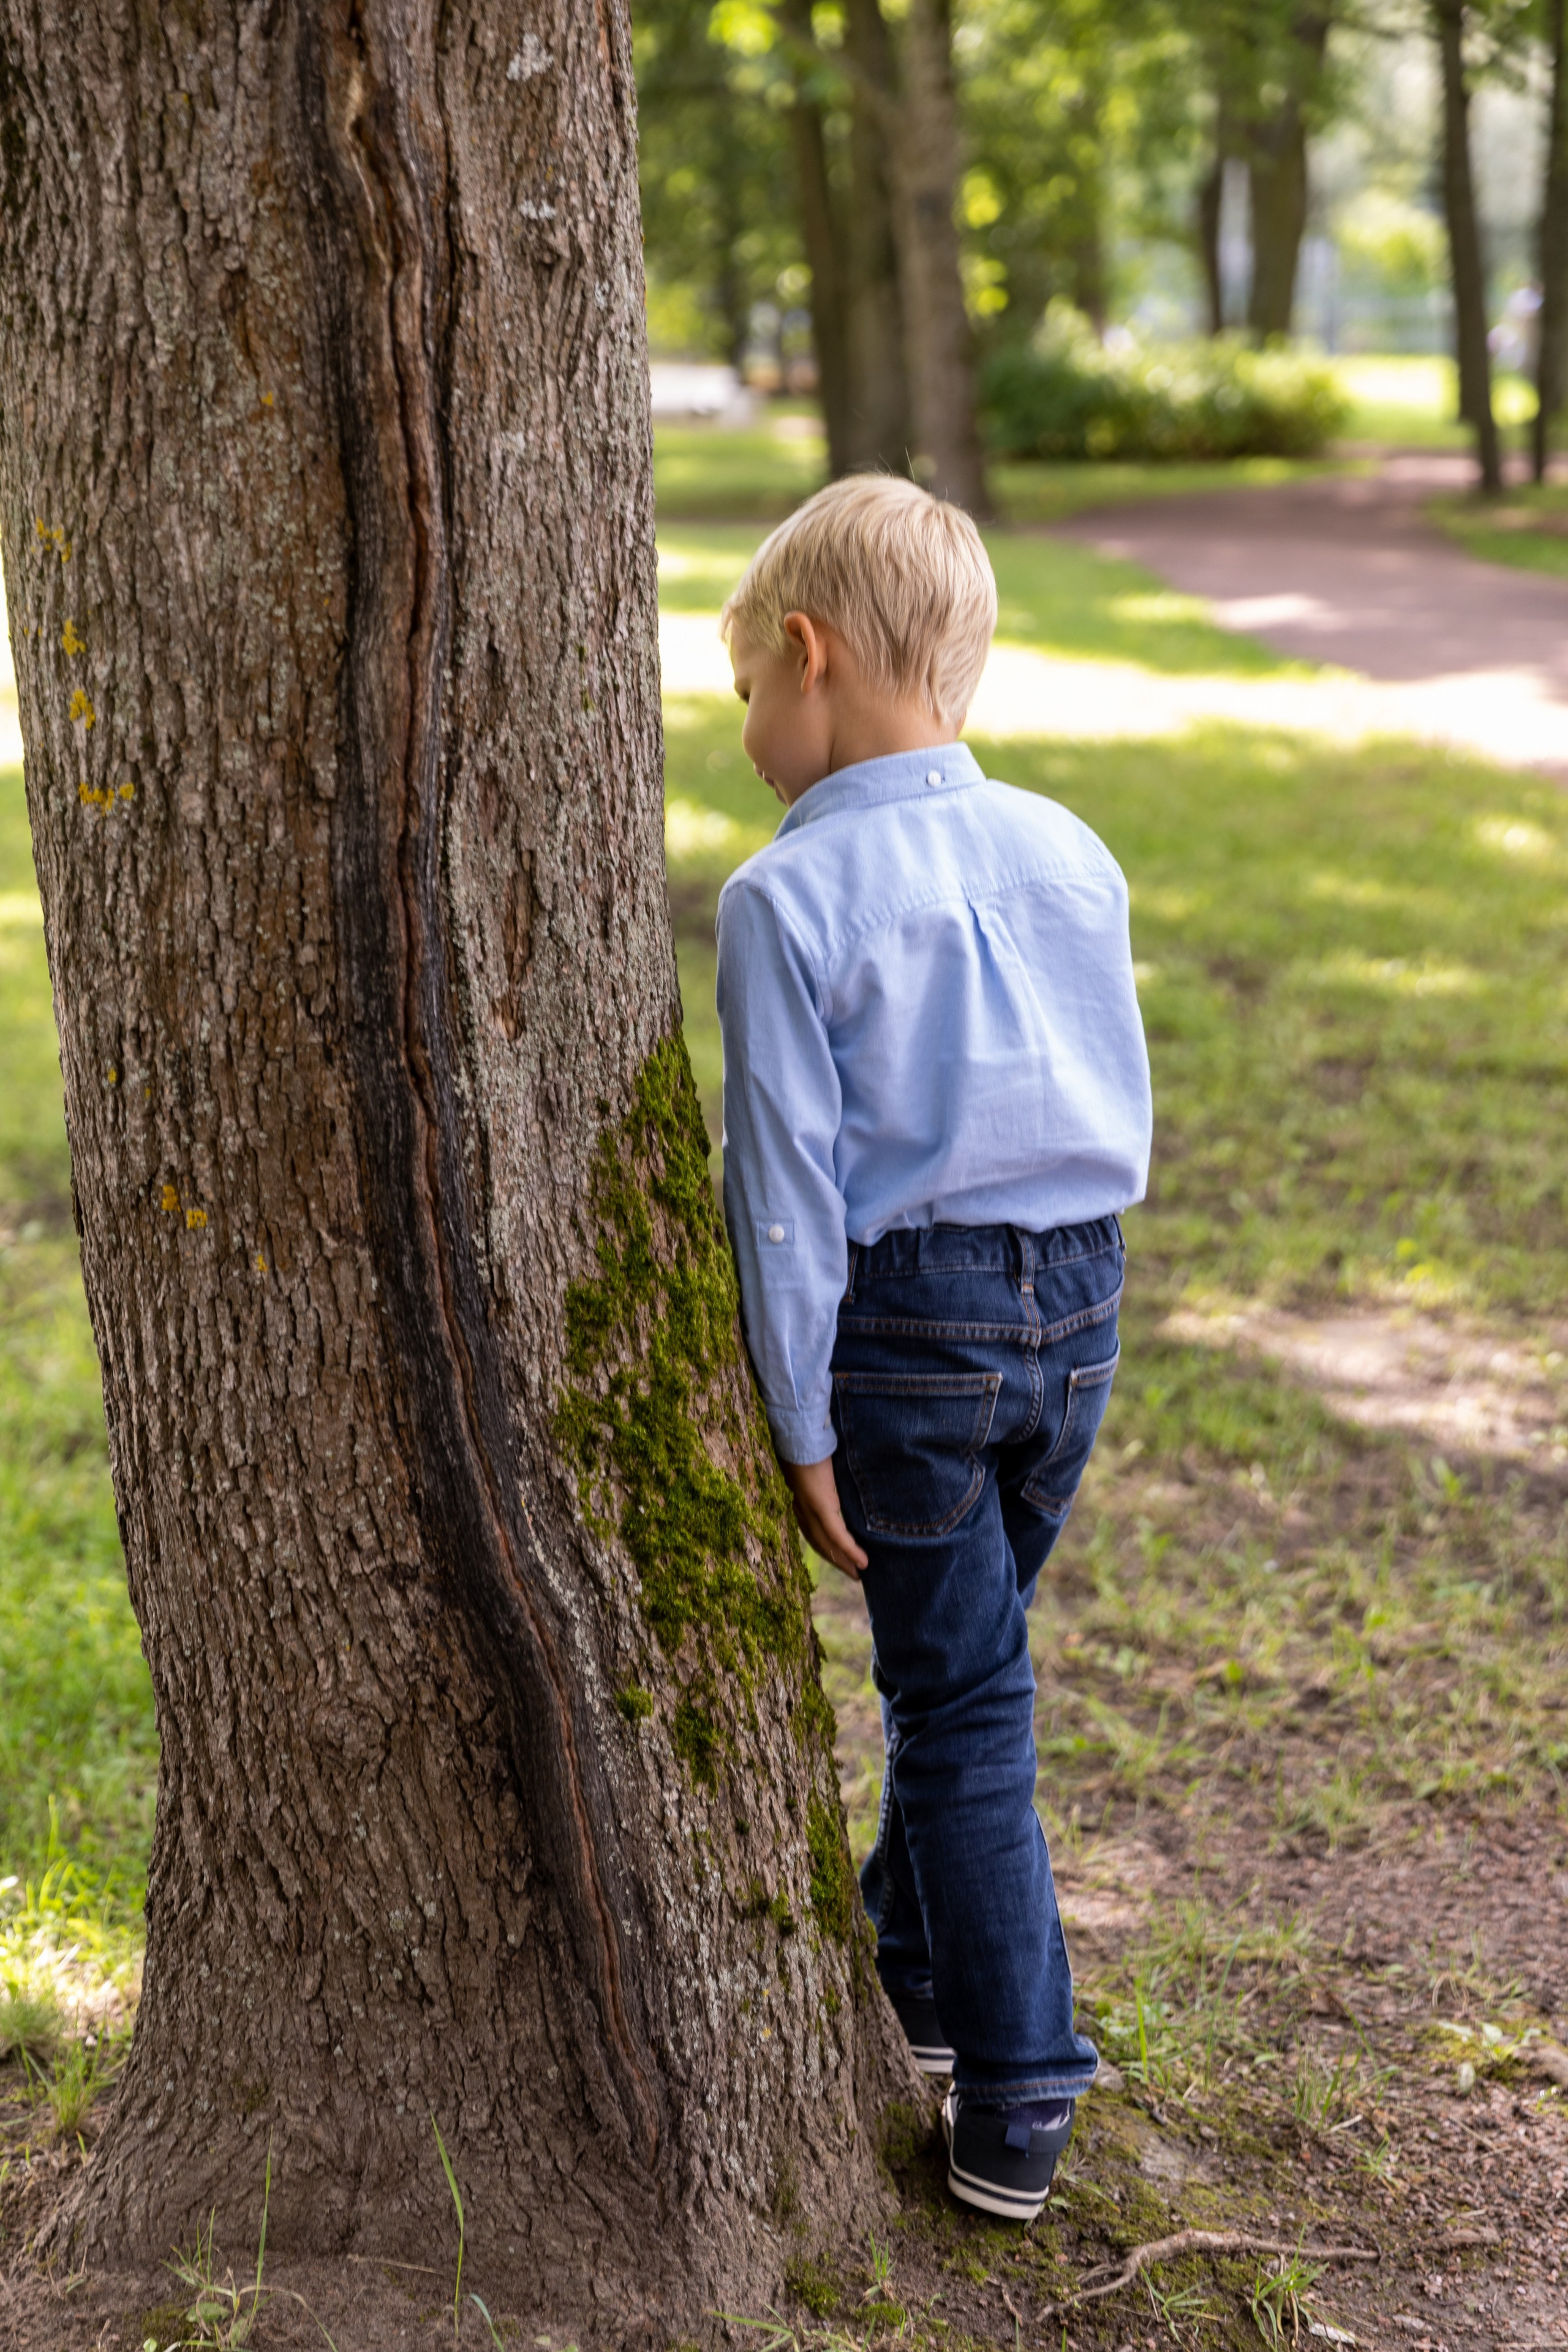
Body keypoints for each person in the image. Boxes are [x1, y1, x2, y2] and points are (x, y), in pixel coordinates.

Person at [714, 474, 1152, 2222]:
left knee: (959, 1707)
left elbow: (785, 1197)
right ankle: (909, 1970)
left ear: (808, 658)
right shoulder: (1071, 847)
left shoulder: (784, 895)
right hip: (1083, 1316)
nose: (746, 724)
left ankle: (1024, 2078)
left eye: (745, 683)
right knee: (969, 1677)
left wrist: (800, 1412)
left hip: (908, 1337)